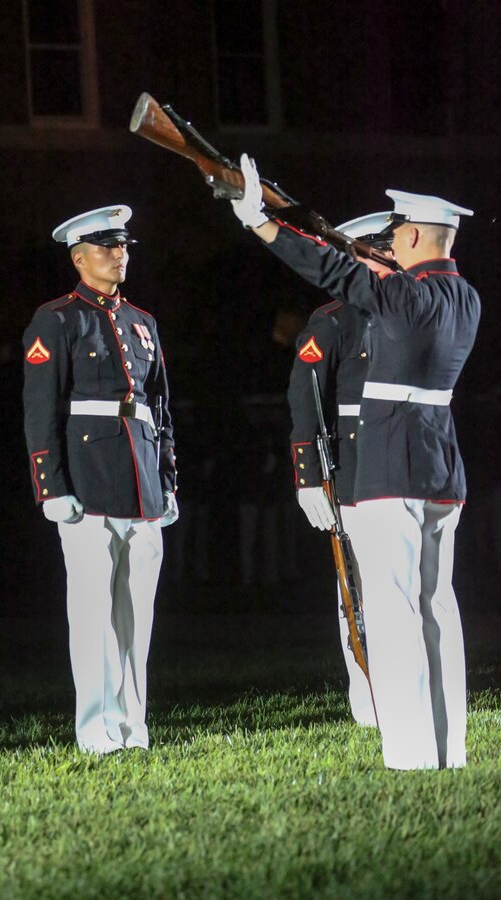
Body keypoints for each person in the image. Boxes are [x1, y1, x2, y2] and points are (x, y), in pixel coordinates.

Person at [231, 155, 481, 770]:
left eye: (397, 234)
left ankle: (410, 754)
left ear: (417, 237)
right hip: (442, 468)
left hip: (388, 470)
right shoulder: (466, 298)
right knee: (437, 612)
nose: (391, 243)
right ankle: (449, 750)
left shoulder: (402, 297)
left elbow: (331, 266)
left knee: (393, 614)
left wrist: (261, 223)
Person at [23, 205, 178, 755]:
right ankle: (95, 728)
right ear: (79, 257)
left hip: (142, 485)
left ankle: (133, 726)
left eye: (124, 246)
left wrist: (168, 481)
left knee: (137, 614)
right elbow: (40, 410)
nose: (120, 254)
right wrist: (50, 485)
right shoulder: (58, 320)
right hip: (86, 484)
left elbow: (158, 408)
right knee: (92, 612)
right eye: (108, 247)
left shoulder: (143, 322)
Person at [288, 211, 394, 727]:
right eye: (383, 247)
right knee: (355, 585)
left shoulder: (407, 310)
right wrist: (309, 474)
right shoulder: (333, 318)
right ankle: (368, 695)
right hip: (354, 465)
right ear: (360, 253)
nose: (392, 255)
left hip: (401, 464)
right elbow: (304, 395)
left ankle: (402, 682)